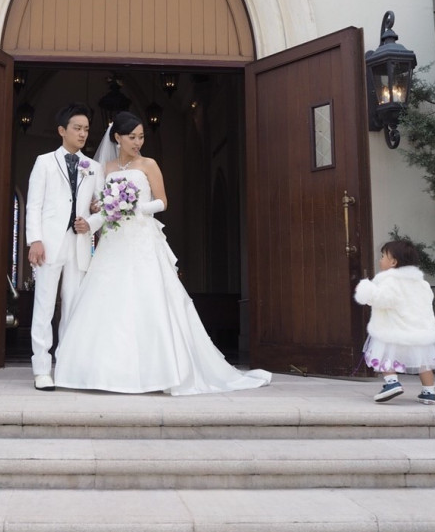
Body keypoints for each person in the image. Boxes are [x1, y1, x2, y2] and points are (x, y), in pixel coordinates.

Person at [53, 111, 272, 395]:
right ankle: (102, 372)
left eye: (141, 136)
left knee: (148, 298)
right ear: (117, 137)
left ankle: (158, 371)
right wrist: (90, 223)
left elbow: (162, 202)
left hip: (142, 238)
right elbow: (103, 210)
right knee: (108, 299)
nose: (137, 142)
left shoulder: (149, 164)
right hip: (113, 243)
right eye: (132, 137)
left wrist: (134, 207)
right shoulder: (103, 168)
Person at [25, 103, 105, 390]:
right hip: (48, 243)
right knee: (44, 306)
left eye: (86, 129)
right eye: (77, 128)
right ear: (62, 131)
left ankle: (67, 367)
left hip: (80, 244)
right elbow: (34, 204)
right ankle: (42, 369)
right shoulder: (44, 162)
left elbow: (103, 207)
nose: (83, 134)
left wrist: (92, 223)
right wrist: (34, 240)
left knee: (73, 306)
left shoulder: (94, 168)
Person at [354, 239, 435, 404]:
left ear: (393, 262)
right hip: (419, 331)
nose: (380, 259)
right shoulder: (422, 284)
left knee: (385, 354)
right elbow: (427, 302)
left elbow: (381, 299)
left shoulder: (389, 281)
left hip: (393, 330)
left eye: (383, 256)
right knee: (423, 362)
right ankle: (429, 392)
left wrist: (366, 291)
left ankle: (392, 383)